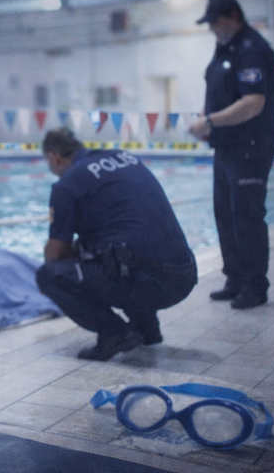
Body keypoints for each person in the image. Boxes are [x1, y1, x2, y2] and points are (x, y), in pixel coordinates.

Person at [35, 128, 197, 361]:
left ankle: (114, 334)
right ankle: (146, 328)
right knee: (119, 249)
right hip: (185, 275)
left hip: (152, 285)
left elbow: (55, 253)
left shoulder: (67, 185)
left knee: (50, 275)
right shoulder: (123, 156)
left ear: (53, 157)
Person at [188, 0, 274, 310]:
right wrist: (205, 120)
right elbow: (217, 92)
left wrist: (210, 121)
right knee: (225, 214)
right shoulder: (225, 48)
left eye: (215, 22)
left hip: (249, 147)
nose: (212, 28)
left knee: (247, 216)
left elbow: (254, 103)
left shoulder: (252, 50)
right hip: (226, 147)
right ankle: (236, 278)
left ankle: (255, 285)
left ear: (232, 17)